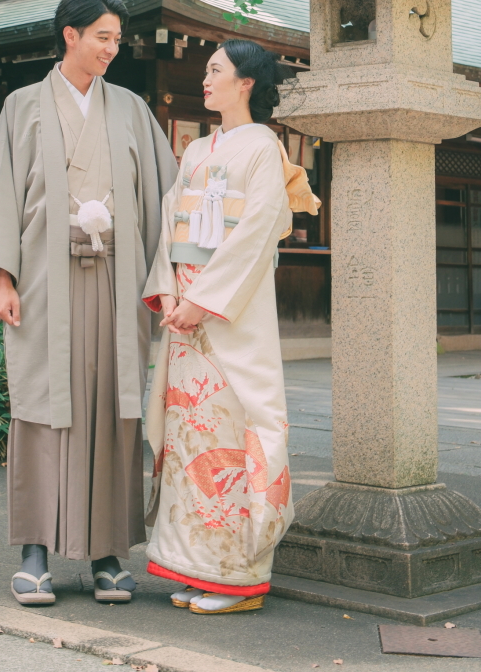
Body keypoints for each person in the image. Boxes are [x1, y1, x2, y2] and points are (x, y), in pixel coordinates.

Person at [0, 0, 177, 606]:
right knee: (41, 402)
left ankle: (109, 553)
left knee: (112, 404)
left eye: (117, 39)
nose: (113, 48)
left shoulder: (132, 109)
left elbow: (167, 193)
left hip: (117, 277)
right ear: (70, 36)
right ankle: (35, 552)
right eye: (103, 37)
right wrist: (1, 278)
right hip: (41, 279)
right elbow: (2, 190)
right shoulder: (23, 105)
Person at [142, 39, 319, 615]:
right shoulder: (196, 150)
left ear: (246, 83)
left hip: (228, 310)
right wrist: (171, 289)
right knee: (190, 433)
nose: (206, 78)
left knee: (232, 430)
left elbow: (260, 227)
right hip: (186, 305)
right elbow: (172, 221)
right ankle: (197, 566)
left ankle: (237, 575)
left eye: (216, 70)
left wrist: (203, 299)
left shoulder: (264, 146)